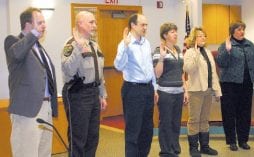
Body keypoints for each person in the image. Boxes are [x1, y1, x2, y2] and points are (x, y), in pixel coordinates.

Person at [4, 7, 58, 157]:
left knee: (44, 153)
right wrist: (33, 34)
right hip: (27, 110)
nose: (44, 26)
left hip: (45, 107)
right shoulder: (13, 41)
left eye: (44, 22)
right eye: (40, 22)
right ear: (28, 25)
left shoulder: (39, 47)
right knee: (26, 153)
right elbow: (16, 54)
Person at [61, 11, 108, 157]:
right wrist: (78, 49)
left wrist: (102, 94)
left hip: (93, 94)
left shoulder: (94, 45)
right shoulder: (71, 45)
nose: (95, 25)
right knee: (78, 138)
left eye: (95, 22)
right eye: (91, 22)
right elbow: (68, 70)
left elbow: (99, 73)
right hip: (77, 94)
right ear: (80, 24)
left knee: (92, 137)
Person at [114, 13, 157, 157]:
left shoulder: (146, 43)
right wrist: (126, 47)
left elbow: (150, 67)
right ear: (133, 25)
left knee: (147, 130)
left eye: (146, 25)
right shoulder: (125, 43)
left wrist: (154, 87)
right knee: (133, 131)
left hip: (148, 89)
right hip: (133, 90)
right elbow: (118, 66)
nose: (145, 27)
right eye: (142, 25)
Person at [216, 21, 254, 151]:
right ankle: (231, 141)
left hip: (246, 84)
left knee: (245, 113)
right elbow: (221, 63)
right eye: (238, 29)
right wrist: (227, 50)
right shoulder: (225, 45)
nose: (242, 31)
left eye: (243, 29)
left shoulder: (250, 45)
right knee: (229, 113)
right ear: (232, 31)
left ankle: (243, 140)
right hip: (229, 85)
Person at [183, 27, 221, 157]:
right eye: (200, 36)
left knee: (205, 119)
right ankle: (193, 148)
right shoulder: (189, 52)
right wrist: (196, 55)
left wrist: (217, 91)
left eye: (204, 36)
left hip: (207, 90)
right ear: (194, 38)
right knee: (194, 120)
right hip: (195, 91)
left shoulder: (208, 52)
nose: (203, 38)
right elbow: (188, 69)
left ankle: (205, 146)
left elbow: (213, 73)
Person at [152, 22, 188, 157]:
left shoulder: (178, 50)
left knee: (175, 121)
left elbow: (181, 72)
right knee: (166, 122)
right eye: (172, 32)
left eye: (176, 31)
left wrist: (185, 90)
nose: (176, 34)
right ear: (165, 35)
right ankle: (166, 151)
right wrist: (161, 57)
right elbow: (157, 74)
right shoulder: (158, 50)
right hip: (165, 92)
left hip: (179, 92)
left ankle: (174, 146)